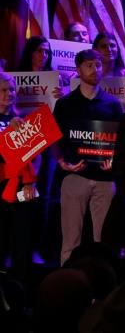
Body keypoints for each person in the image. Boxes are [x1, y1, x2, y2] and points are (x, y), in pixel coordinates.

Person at [52, 49, 124, 264]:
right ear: (78, 69)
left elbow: (119, 140)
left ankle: (104, 288)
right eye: (89, 65)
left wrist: (114, 159)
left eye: (98, 64)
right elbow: (54, 137)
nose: (95, 69)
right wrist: (61, 162)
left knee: (104, 241)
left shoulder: (112, 104)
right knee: (70, 241)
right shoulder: (65, 104)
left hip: (105, 180)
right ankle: (66, 285)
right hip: (75, 177)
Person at [0, 72, 40, 279]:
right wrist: (8, 133)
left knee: (22, 240)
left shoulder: (22, 120)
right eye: (4, 90)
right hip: (0, 191)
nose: (9, 94)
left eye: (12, 89)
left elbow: (32, 157)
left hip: (21, 192)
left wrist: (30, 183)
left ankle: (20, 291)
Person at [92, 32, 125, 111]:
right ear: (95, 50)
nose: (109, 49)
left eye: (112, 46)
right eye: (103, 46)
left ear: (118, 49)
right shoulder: (88, 77)